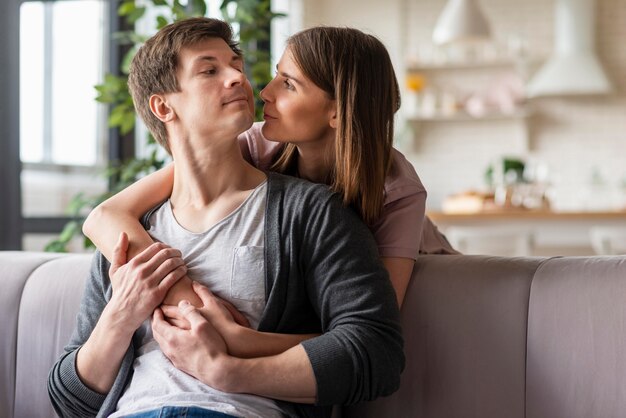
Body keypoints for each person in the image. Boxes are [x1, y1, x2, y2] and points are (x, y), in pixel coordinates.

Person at [48, 17, 403, 418]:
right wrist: (120, 316)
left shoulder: (311, 212)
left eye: (236, 64)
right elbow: (69, 401)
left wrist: (228, 370)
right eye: (210, 70)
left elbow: (376, 350)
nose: (237, 76)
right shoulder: (130, 234)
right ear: (163, 106)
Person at [83, 26, 457, 310]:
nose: (263, 91)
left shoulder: (397, 190)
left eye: (289, 84)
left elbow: (375, 321)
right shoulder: (255, 145)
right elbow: (107, 215)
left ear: (337, 112)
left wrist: (240, 340)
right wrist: (191, 304)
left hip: (432, 259)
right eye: (277, 74)